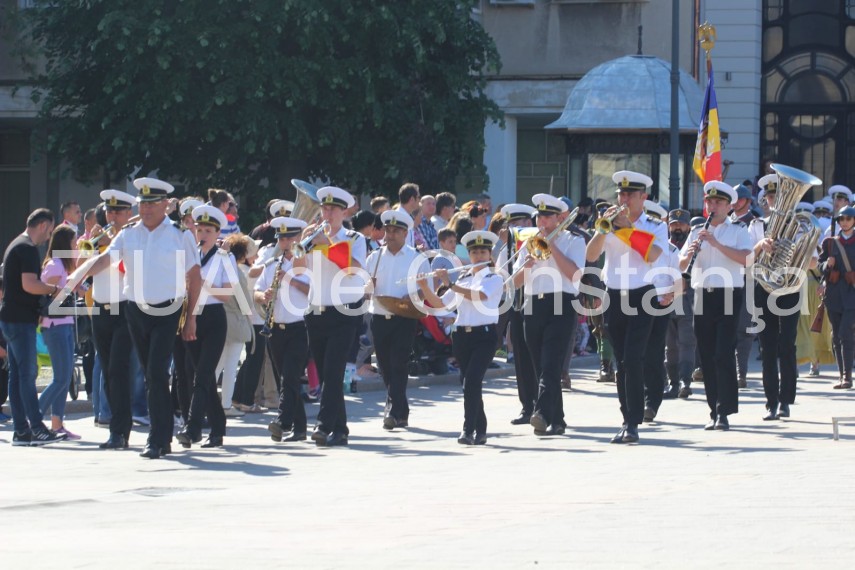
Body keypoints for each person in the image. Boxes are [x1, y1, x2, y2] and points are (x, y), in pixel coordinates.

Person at [69, 177, 201, 459]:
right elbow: (105, 259)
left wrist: (191, 317)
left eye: (152, 204)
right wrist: (76, 275)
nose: (146, 209)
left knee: (155, 372)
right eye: (143, 204)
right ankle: (158, 437)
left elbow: (195, 276)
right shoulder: (128, 234)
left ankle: (157, 438)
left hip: (167, 310)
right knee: (148, 373)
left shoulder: (180, 235)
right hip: (135, 310)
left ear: (164, 204)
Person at [585, 171, 666, 444]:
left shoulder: (655, 225)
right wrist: (602, 230)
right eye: (621, 194)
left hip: (643, 296)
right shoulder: (609, 222)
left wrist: (625, 229)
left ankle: (633, 422)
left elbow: (653, 255)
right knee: (621, 362)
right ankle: (626, 418)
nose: (624, 199)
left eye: (630, 194)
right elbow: (591, 255)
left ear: (643, 197)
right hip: (614, 296)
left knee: (633, 358)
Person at [293, 186, 366, 447]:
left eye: (333, 209)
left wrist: (330, 246)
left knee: (334, 371)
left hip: (343, 311)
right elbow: (298, 268)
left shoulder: (355, 238)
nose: (327, 213)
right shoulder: (314, 236)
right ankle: (341, 429)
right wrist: (302, 244)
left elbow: (353, 270)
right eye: (324, 208)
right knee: (326, 374)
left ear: (344, 212)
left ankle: (323, 426)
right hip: (316, 310)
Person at [418, 231, 502, 445]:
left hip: (484, 336)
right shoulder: (464, 277)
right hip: (462, 336)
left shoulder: (494, 278)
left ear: (489, 255)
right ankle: (481, 430)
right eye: (474, 252)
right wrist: (425, 287)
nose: (479, 256)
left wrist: (451, 284)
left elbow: (479, 296)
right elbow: (440, 304)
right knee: (468, 383)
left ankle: (468, 430)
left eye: (483, 252)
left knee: (472, 381)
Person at [510, 195, 585, 436]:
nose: (541, 221)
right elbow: (515, 282)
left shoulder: (574, 240)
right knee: (540, 366)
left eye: (547, 216)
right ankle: (557, 420)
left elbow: (575, 275)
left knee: (551, 364)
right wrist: (526, 265)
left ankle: (541, 412)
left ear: (559, 218)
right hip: (533, 305)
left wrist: (552, 247)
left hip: (561, 303)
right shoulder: (529, 243)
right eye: (539, 216)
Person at [680, 182, 752, 430]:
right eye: (709, 202)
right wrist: (690, 253)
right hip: (702, 295)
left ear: (729, 206)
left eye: (718, 202)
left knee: (723, 353)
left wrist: (716, 244)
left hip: (729, 294)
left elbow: (747, 259)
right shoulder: (696, 230)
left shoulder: (738, 230)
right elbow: (680, 264)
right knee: (707, 355)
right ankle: (714, 410)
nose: (712, 206)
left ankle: (725, 410)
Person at [749, 173, 814, 421]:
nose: (775, 201)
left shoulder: (800, 226)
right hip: (763, 289)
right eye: (771, 196)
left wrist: (796, 252)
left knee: (787, 345)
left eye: (779, 196)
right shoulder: (756, 226)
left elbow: (813, 261)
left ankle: (786, 400)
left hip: (789, 289)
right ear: (765, 200)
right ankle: (771, 403)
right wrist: (760, 246)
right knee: (767, 347)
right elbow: (745, 260)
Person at [0, 208, 67, 446]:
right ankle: (36, 428)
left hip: (11, 319)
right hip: (19, 321)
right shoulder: (27, 248)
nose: (48, 237)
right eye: (49, 231)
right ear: (43, 225)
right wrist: (54, 289)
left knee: (18, 376)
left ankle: (21, 431)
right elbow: (29, 284)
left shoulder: (15, 244)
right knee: (27, 376)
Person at [175, 205, 237, 449]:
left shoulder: (226, 257)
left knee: (202, 375)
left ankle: (192, 428)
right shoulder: (189, 256)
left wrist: (201, 283)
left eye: (208, 231)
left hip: (213, 318)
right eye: (199, 229)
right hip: (191, 315)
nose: (202, 234)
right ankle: (218, 427)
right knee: (203, 376)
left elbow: (226, 294)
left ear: (218, 232)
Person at [365, 210, 428, 430]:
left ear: (405, 233)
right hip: (379, 316)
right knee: (384, 365)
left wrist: (414, 296)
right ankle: (401, 411)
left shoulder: (416, 257)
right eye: (388, 230)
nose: (390, 235)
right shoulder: (374, 257)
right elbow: (365, 290)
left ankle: (391, 410)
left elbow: (427, 289)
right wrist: (368, 287)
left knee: (398, 363)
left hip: (405, 316)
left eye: (395, 231)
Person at [87, 190, 138, 449]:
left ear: (129, 213)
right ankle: (116, 429)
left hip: (124, 308)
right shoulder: (98, 240)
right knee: (107, 371)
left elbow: (129, 269)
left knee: (118, 369)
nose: (112, 216)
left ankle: (120, 430)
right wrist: (91, 247)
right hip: (100, 309)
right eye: (109, 211)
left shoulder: (133, 237)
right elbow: (83, 269)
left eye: (118, 211)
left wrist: (109, 245)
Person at [258, 217, 311, 442]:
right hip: (275, 328)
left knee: (290, 376)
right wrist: (264, 296)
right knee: (286, 378)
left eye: (289, 238)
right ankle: (300, 429)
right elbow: (256, 291)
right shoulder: (272, 264)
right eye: (281, 238)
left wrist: (289, 279)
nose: (285, 242)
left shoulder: (307, 262)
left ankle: (282, 422)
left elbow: (314, 291)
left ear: (299, 238)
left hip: (300, 327)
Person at [38, 224, 81, 440]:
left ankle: (57, 424)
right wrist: (70, 286)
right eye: (74, 242)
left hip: (65, 324)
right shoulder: (54, 266)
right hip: (54, 325)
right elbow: (48, 297)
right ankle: (33, 417)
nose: (76, 246)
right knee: (61, 378)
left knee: (64, 378)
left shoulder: (63, 266)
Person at [496, 204, 538, 425]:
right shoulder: (507, 250)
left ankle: (543, 404)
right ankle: (527, 406)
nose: (512, 228)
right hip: (517, 305)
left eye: (517, 223)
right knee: (521, 356)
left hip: (537, 304)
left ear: (528, 224)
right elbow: (501, 279)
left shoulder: (538, 245)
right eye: (510, 224)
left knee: (537, 356)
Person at [216, 233, 255, 418]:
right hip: (236, 321)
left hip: (219, 318)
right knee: (230, 367)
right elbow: (245, 303)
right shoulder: (237, 273)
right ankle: (225, 405)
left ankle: (206, 402)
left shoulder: (218, 268)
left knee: (216, 365)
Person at [818, 206, 855, 390]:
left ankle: (847, 377)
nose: (844, 222)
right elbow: (820, 266)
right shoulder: (830, 243)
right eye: (841, 219)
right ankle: (841, 375)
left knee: (844, 333)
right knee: (836, 336)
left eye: (848, 219)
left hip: (852, 294)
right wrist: (827, 264)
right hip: (833, 295)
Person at [663, 208, 696, 400]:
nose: (677, 228)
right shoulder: (663, 247)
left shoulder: (693, 247)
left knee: (686, 342)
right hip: (667, 299)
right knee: (670, 346)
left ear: (688, 227)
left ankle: (685, 381)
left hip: (688, 300)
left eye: (681, 224)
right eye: (673, 224)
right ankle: (673, 383)